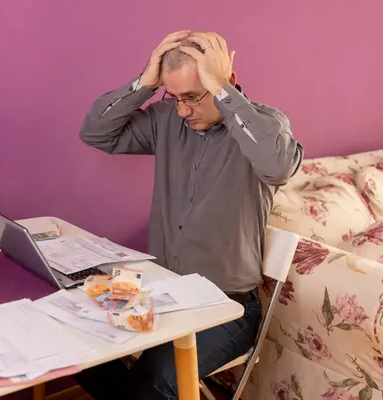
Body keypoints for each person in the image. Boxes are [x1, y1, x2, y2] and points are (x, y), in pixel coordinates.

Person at [74, 30, 304, 399]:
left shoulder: (266, 124)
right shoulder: (167, 120)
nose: (182, 110)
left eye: (194, 97)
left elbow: (278, 167)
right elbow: (96, 133)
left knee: (154, 381)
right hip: (159, 293)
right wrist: (144, 83)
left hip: (226, 308)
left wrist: (223, 92)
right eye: (174, 96)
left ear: (224, 82)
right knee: (81, 350)